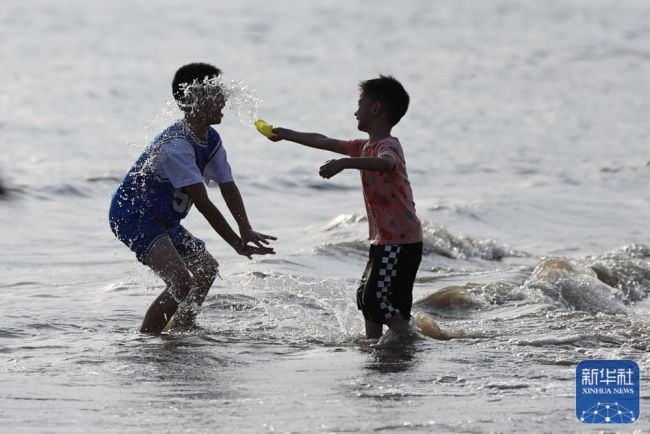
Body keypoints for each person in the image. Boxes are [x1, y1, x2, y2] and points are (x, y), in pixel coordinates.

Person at [109, 62, 276, 334]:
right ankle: (147, 343)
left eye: (221, 91)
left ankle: (181, 331)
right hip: (134, 216)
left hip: (163, 218)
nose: (222, 98)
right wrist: (235, 243)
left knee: (206, 269)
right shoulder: (177, 147)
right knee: (180, 282)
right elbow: (204, 204)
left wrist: (244, 227)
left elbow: (228, 186)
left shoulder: (211, 138)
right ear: (191, 101)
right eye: (214, 92)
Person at [266, 75, 422, 339]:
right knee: (365, 297)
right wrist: (285, 135)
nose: (355, 111)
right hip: (384, 240)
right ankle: (373, 346)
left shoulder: (388, 146)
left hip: (401, 241)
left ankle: (410, 342)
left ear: (375, 109)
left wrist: (344, 163)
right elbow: (323, 140)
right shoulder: (363, 146)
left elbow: (386, 163)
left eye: (359, 104)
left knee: (377, 299)